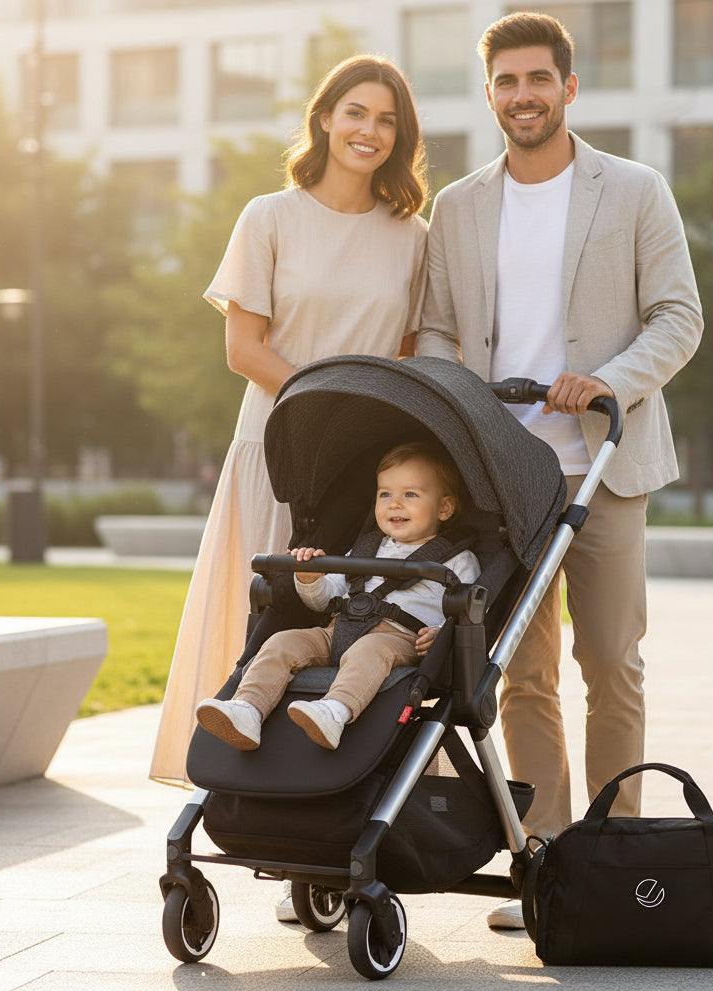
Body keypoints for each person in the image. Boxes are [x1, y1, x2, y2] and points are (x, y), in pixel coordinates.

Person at [416, 12, 703, 928]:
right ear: (490, 91)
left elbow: (678, 317)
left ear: (569, 88)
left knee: (611, 663)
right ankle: (542, 862)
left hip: (605, 468)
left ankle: (615, 860)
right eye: (506, 82)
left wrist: (607, 383)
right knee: (523, 674)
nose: (522, 96)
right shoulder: (456, 207)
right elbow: (430, 330)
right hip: (508, 480)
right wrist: (455, 406)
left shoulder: (635, 190)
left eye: (538, 80)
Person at [150, 55, 429, 917]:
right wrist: (323, 405)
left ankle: (333, 825)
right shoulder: (269, 216)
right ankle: (262, 814)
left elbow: (417, 351)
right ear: (324, 119)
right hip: (280, 445)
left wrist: (372, 430)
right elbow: (245, 348)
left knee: (359, 634)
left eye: (385, 119)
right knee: (274, 623)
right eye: (354, 112)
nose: (368, 131)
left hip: (372, 469)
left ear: (399, 137)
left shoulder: (413, 236)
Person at [195, 442, 479, 751]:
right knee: (282, 642)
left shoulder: (457, 560)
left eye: (410, 494)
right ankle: (247, 709)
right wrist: (309, 578)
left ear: (444, 508)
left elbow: (467, 612)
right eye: (385, 494)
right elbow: (323, 600)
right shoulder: (364, 550)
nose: (394, 503)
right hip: (337, 631)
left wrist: (442, 636)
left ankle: (335, 711)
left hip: (400, 639)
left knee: (368, 651)